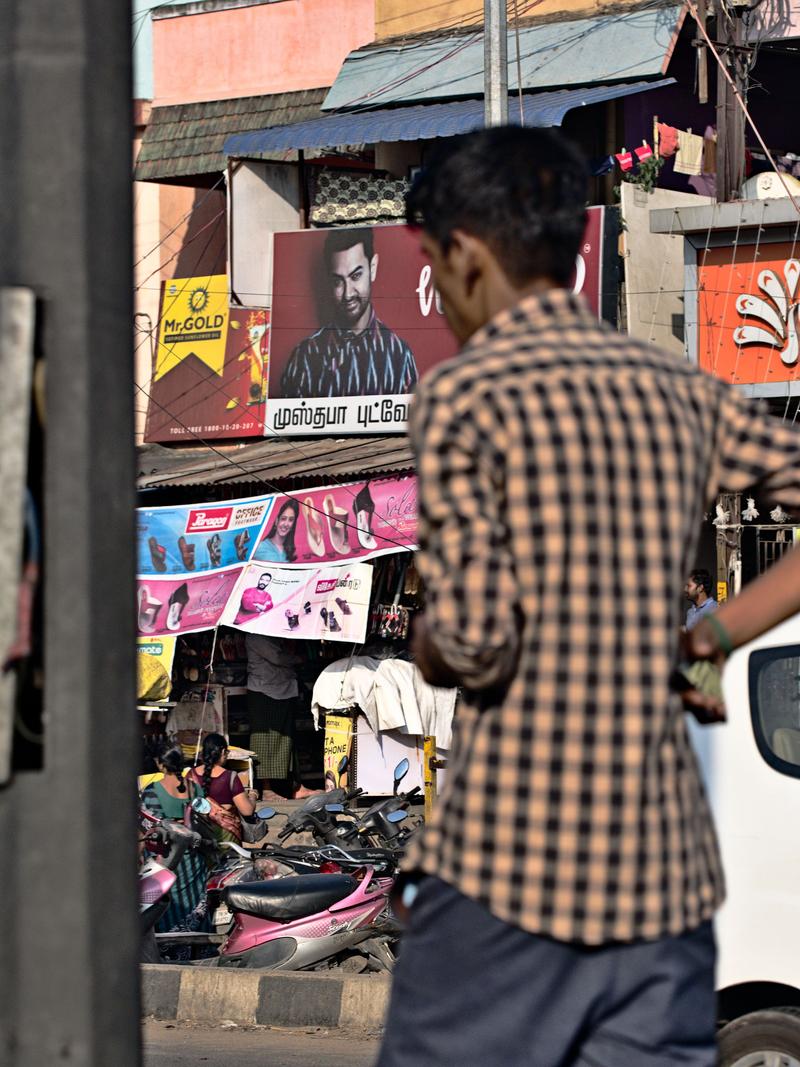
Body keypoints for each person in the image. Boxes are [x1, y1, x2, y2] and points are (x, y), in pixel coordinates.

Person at [376, 126, 800, 1067]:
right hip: (664, 888)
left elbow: (480, 639)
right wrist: (712, 632)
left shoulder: (466, 397)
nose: (441, 303)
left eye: (439, 275)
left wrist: (431, 643)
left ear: (468, 256)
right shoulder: (676, 389)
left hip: (512, 875)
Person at [280, 228, 418, 399]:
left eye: (356, 276)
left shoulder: (400, 356)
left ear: (372, 268)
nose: (347, 294)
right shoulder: (305, 356)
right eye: (338, 281)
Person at [140, 742, 209, 935]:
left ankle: (172, 949)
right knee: (197, 904)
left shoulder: (152, 791)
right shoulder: (195, 788)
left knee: (169, 906)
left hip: (167, 859)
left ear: (160, 764)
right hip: (194, 859)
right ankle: (200, 946)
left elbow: (148, 828)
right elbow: (202, 819)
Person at [244, 634, 316, 800]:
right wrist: (298, 658)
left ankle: (296, 786)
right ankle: (267, 789)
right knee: (263, 740)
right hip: (263, 692)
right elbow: (277, 657)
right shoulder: (255, 636)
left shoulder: (274, 634)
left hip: (283, 689)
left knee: (287, 739)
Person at [188, 733, 256, 845]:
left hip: (199, 839)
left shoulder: (191, 775)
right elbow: (247, 811)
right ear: (223, 752)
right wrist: (253, 796)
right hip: (226, 841)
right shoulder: (229, 777)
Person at [254, 498, 299, 564]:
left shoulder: (289, 551)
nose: (286, 524)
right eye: (283, 519)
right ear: (276, 521)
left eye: (291, 520)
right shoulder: (260, 546)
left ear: (293, 524)